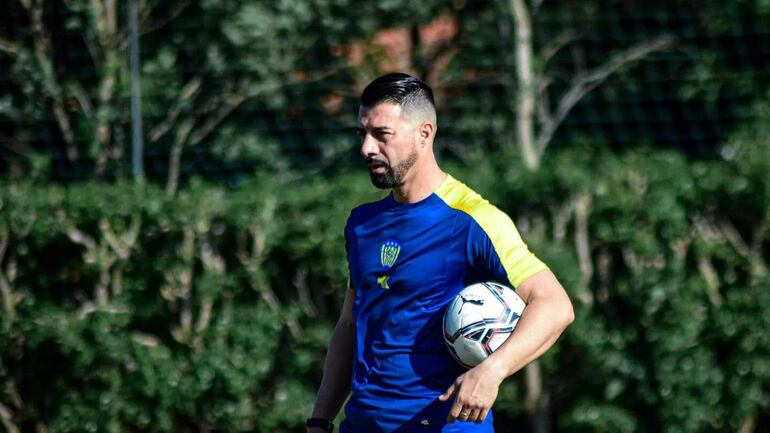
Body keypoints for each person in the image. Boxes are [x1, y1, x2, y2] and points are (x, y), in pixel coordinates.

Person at [306, 73, 574, 433]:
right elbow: (350, 324)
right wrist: (320, 419)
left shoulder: (472, 220)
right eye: (362, 134)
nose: (366, 148)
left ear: (424, 133)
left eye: (381, 135)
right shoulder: (362, 224)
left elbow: (555, 305)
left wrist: (492, 372)